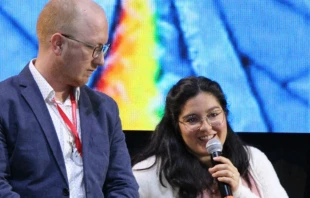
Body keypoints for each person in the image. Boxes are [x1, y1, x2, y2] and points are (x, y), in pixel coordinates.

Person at [0, 0, 139, 197]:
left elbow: (123, 185)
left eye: (103, 49)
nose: (100, 60)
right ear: (58, 44)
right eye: (95, 48)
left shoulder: (105, 109)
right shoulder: (5, 103)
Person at [132, 76, 288, 198]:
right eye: (192, 119)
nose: (206, 127)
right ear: (176, 125)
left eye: (213, 115)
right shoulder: (146, 176)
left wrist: (238, 191)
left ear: (225, 115)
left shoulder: (253, 159)